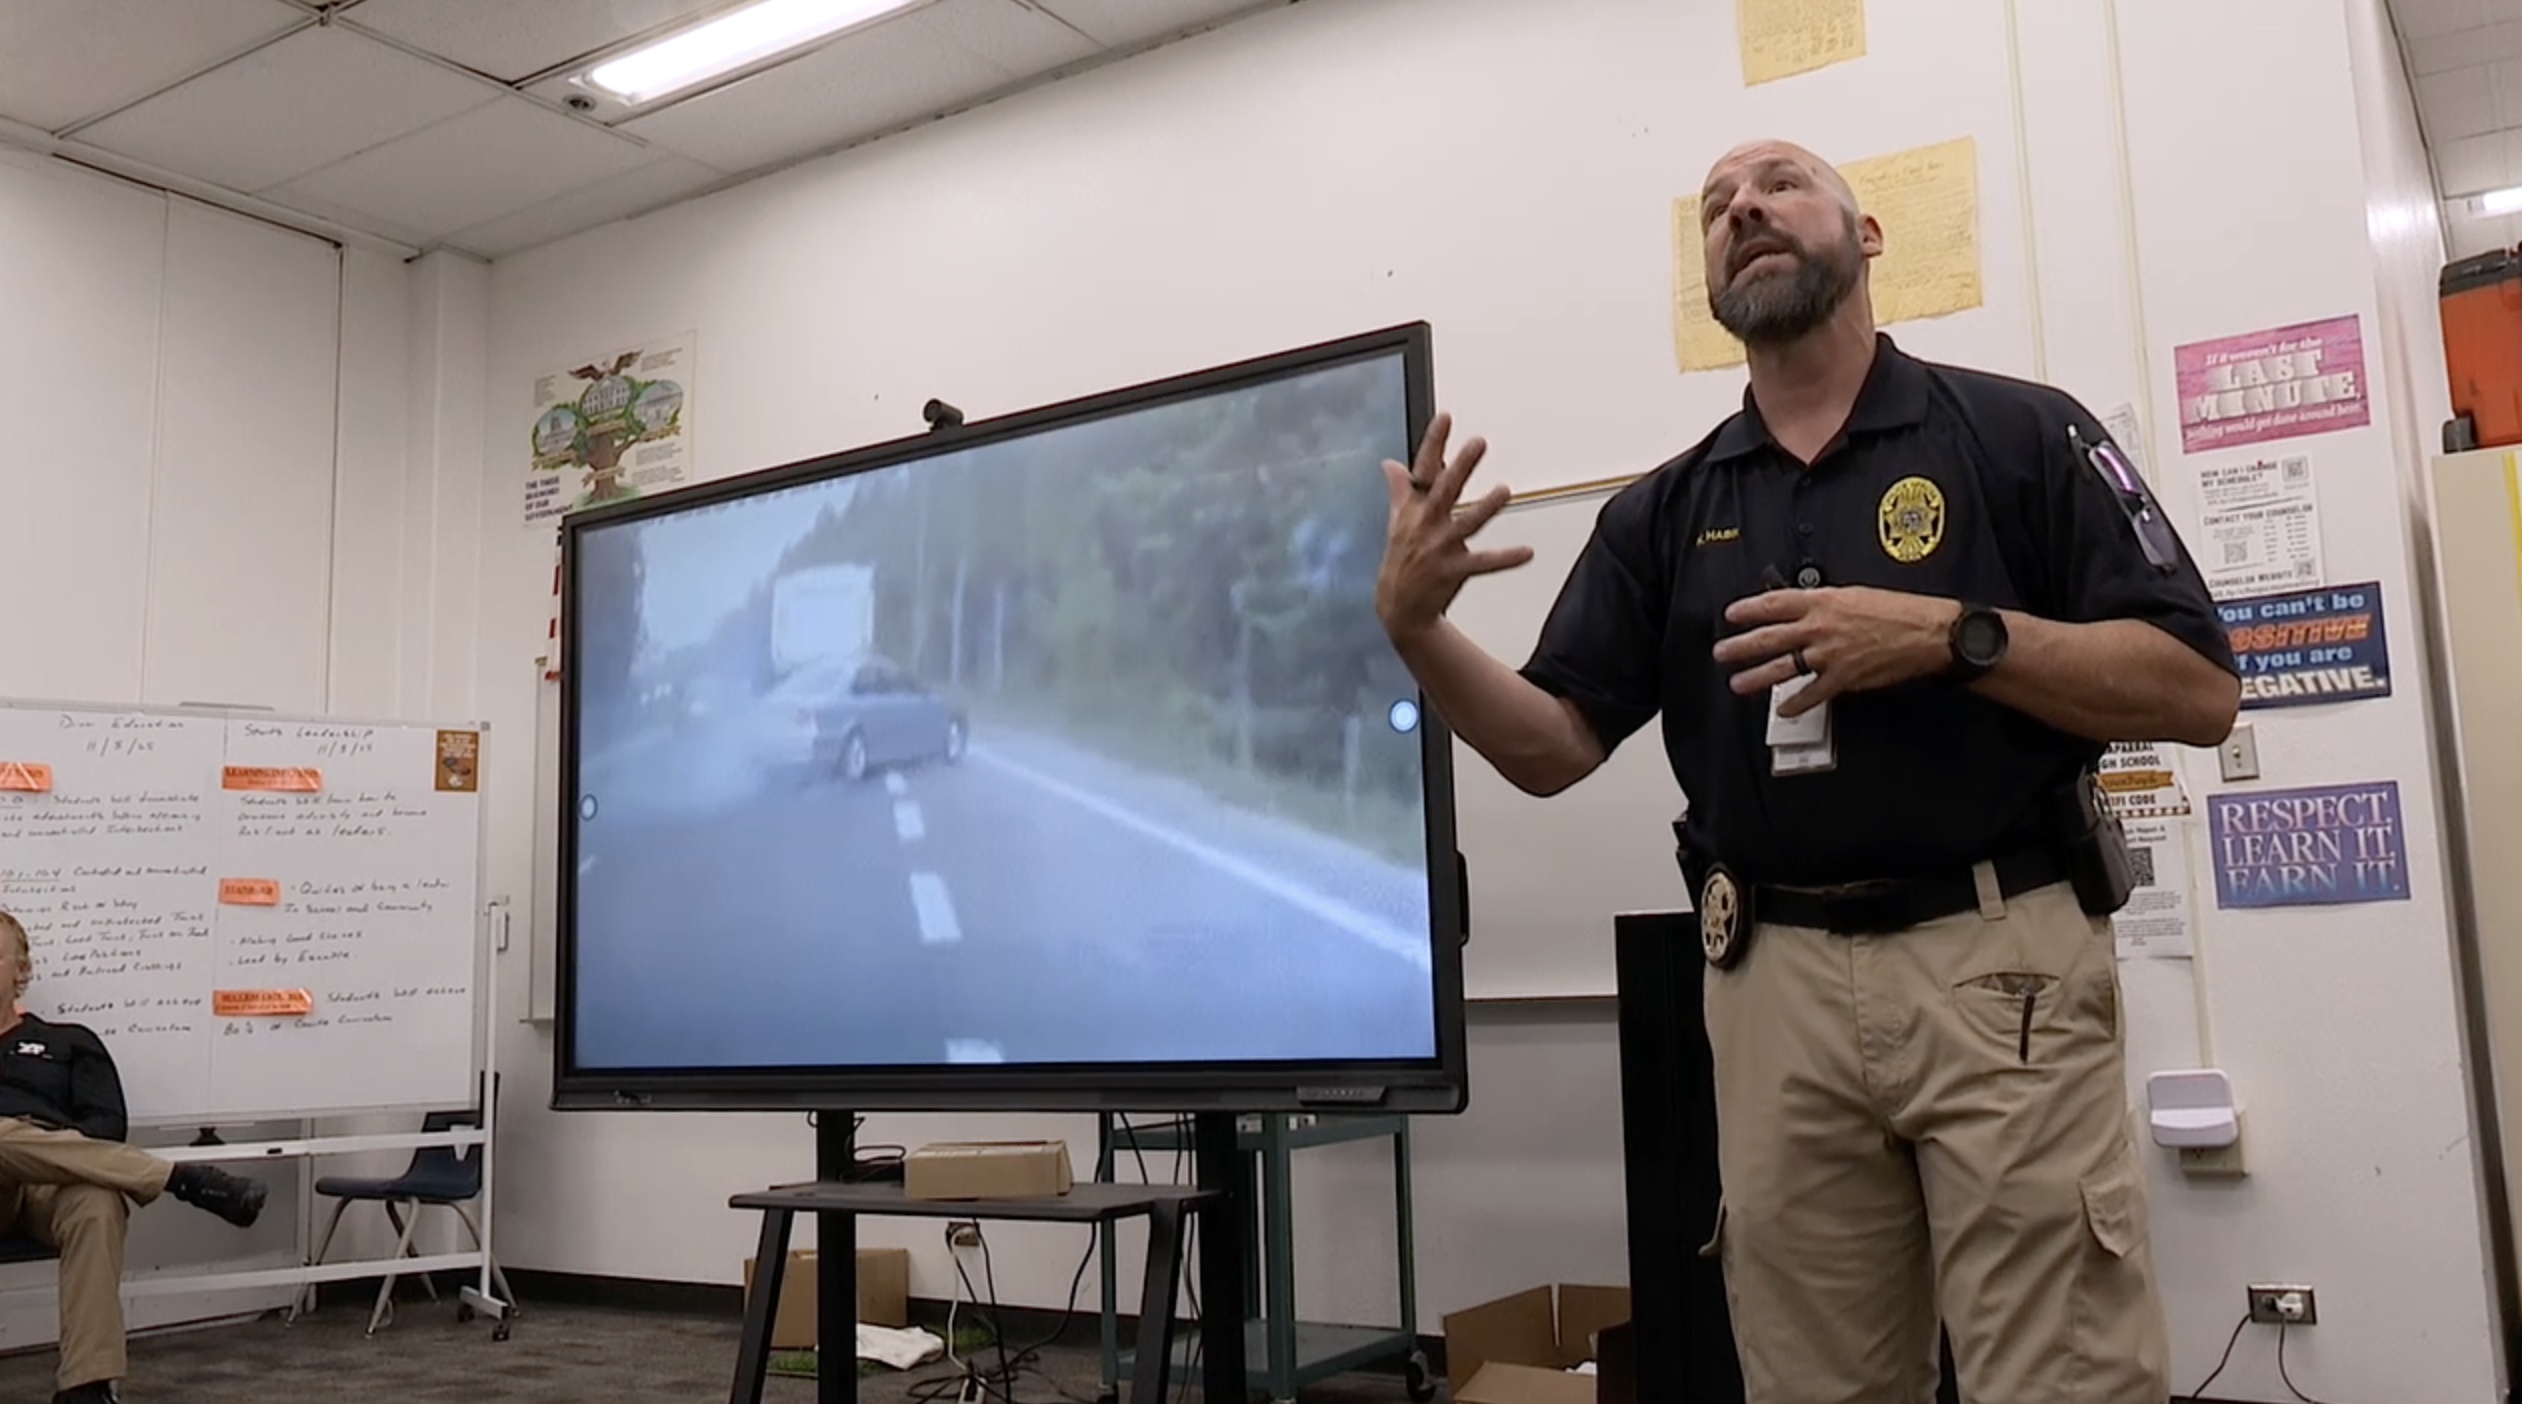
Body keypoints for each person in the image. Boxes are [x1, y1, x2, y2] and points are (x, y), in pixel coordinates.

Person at [1374, 138, 2239, 1404]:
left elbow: (2197, 688)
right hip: (1767, 983)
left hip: (1998, 965)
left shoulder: (2017, 435)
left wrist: (1948, 635)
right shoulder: (1662, 512)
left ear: (1868, 232)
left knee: (2063, 1377)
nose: (1742, 210)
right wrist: (1417, 632)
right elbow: (1549, 748)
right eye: (1715, 207)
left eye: (1777, 183)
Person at [0, 910, 270, 1404]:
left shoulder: (70, 1041)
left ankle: (87, 1386)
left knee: (96, 1199)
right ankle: (179, 1179)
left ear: (20, 969)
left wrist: (48, 1153)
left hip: (50, 1183)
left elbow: (107, 1129)